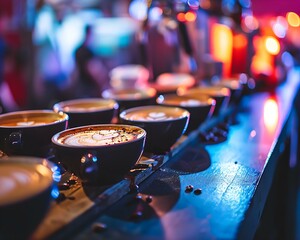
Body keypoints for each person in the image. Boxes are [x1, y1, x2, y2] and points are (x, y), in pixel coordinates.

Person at [72, 25, 109, 98]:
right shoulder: (86, 52)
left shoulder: (78, 50)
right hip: (89, 89)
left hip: (81, 87)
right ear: (89, 33)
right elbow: (94, 71)